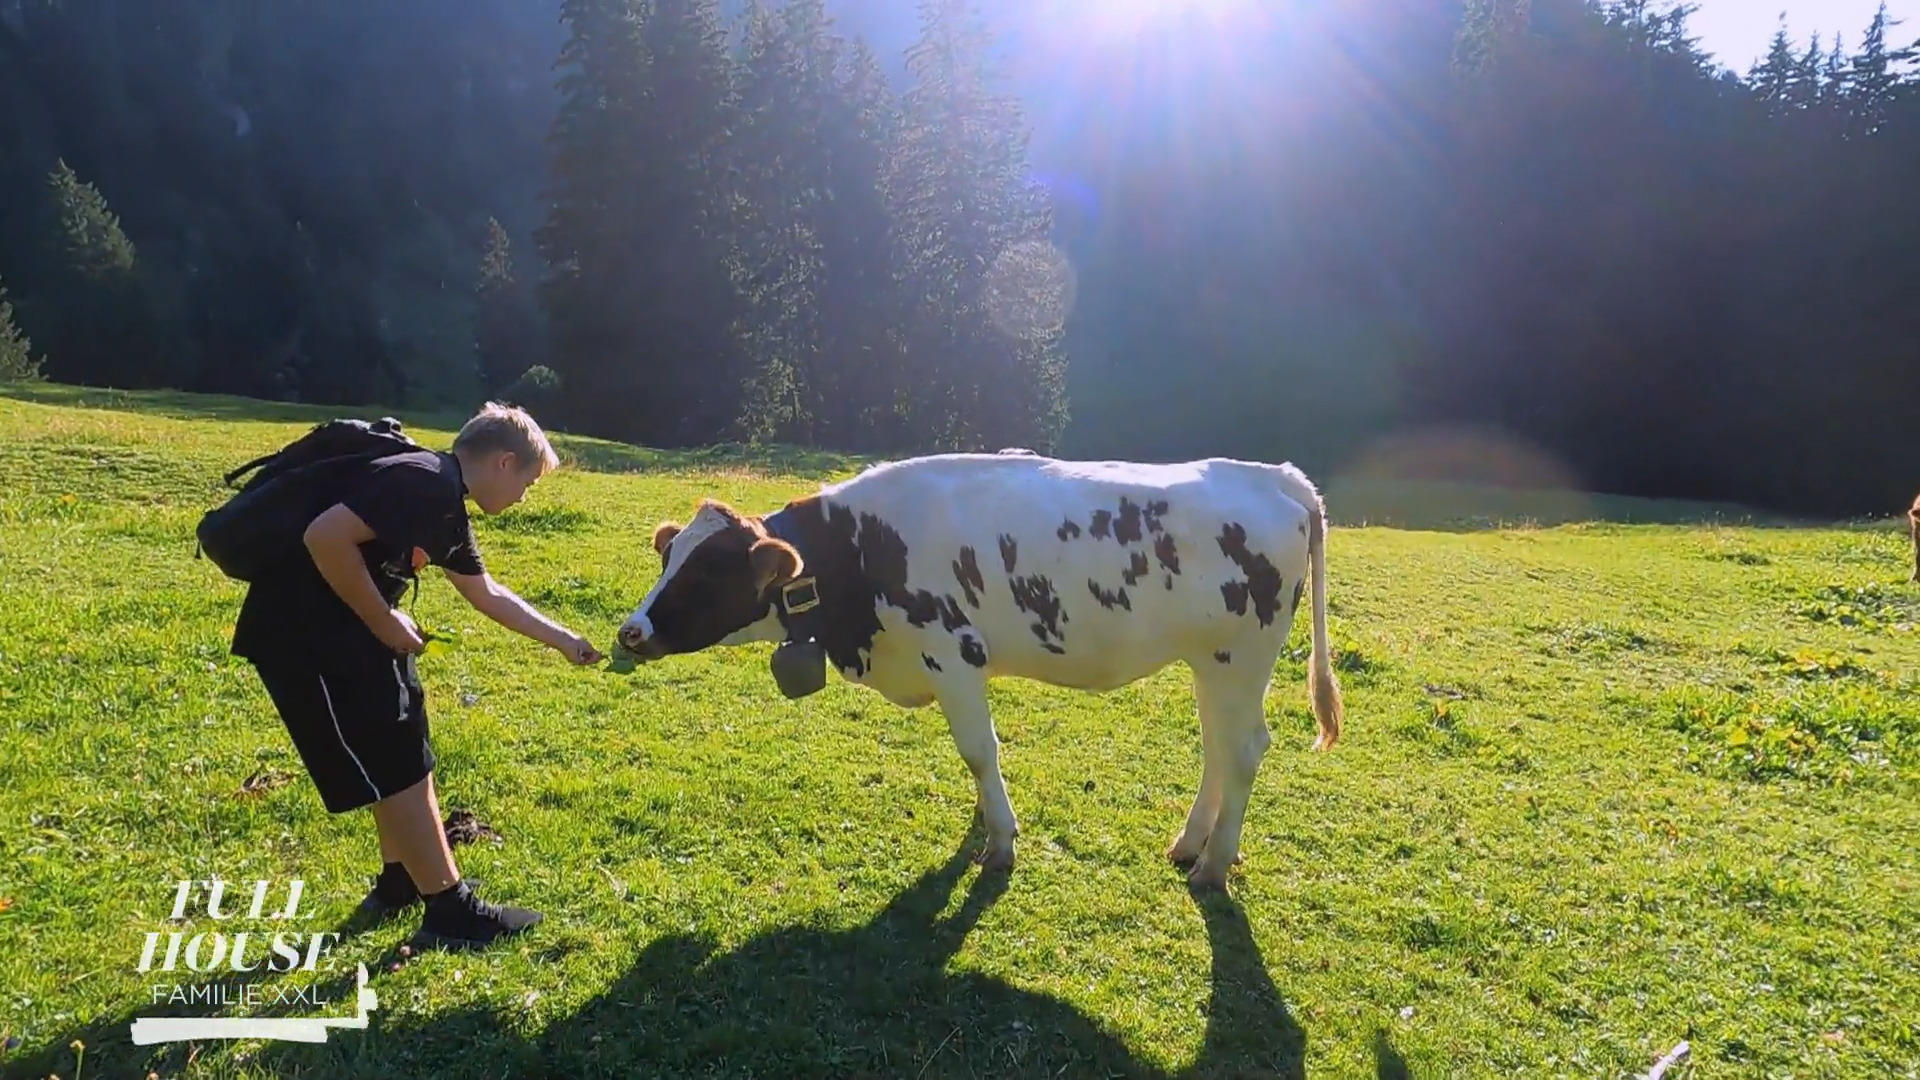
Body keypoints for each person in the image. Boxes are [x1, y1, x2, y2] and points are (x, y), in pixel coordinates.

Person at [228, 401, 602, 950]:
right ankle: (451, 912)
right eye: (527, 481)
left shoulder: (443, 503)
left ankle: (402, 879)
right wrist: (384, 618)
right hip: (310, 637)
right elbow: (324, 537)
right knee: (395, 762)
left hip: (353, 637)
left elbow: (487, 593)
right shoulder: (422, 482)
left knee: (405, 752)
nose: (524, 497)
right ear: (503, 462)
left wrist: (566, 641)